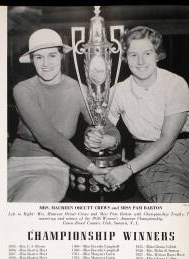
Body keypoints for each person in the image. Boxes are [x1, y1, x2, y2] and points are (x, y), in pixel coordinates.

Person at [9, 28, 120, 202]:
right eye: (39, 57)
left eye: (52, 55)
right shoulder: (22, 89)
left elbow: (107, 125)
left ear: (62, 56)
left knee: (29, 204)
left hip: (55, 166)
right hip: (18, 162)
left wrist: (111, 140)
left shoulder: (78, 90)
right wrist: (91, 168)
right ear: (32, 60)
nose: (46, 63)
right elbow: (48, 137)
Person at [85, 26, 189, 202]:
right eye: (134, 55)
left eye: (147, 53)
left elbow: (168, 139)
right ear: (125, 58)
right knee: (177, 204)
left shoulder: (175, 84)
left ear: (157, 54)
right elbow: (101, 125)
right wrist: (99, 138)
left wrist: (126, 169)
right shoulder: (119, 91)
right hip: (147, 162)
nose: (140, 61)